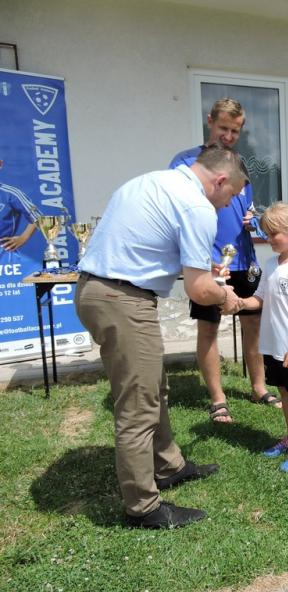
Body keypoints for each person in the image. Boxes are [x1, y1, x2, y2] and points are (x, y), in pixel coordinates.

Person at [76, 144, 246, 529]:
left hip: (100, 290)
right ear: (220, 180)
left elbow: (149, 246)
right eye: (231, 196)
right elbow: (200, 290)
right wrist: (227, 298)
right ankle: (143, 507)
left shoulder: (152, 181)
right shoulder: (197, 206)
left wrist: (202, 269)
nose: (227, 205)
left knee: (154, 386)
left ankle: (169, 465)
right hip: (122, 299)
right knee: (138, 403)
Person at [169, 98, 276, 424]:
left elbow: (246, 206)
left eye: (235, 131)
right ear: (210, 122)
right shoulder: (185, 162)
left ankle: (259, 387)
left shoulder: (240, 164)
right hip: (209, 263)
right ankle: (218, 399)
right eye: (223, 128)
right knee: (209, 329)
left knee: (253, 324)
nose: (229, 136)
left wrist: (253, 221)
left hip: (244, 259)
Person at [234, 203, 288, 472]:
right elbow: (259, 299)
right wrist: (237, 303)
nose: (268, 239)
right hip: (272, 345)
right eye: (266, 234)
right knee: (283, 391)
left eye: (273, 234)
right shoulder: (271, 264)